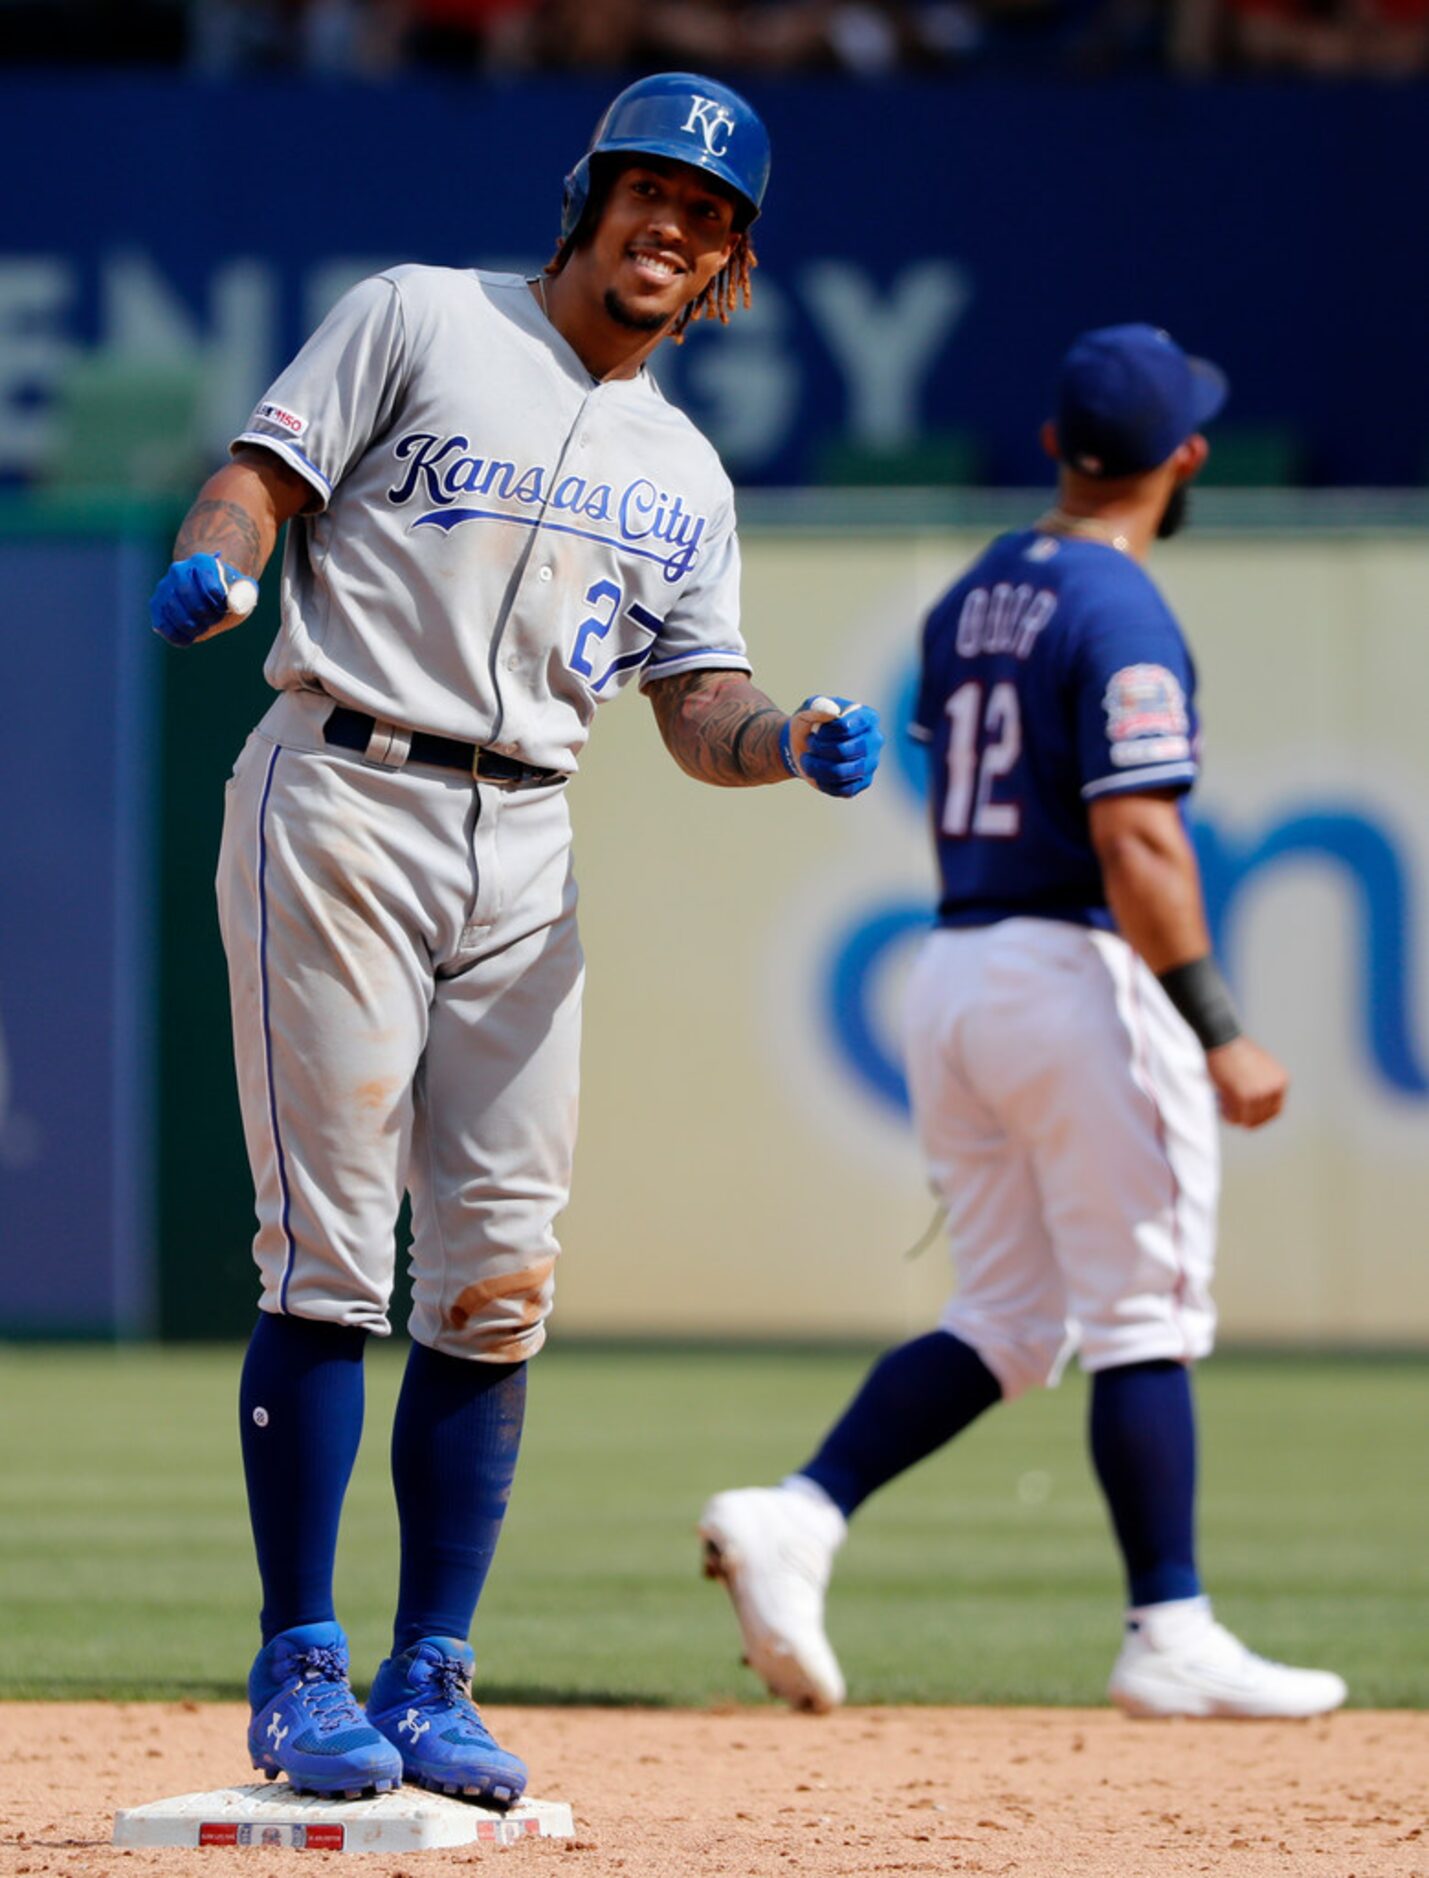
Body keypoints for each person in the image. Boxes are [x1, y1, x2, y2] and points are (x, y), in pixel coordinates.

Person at [148, 71, 883, 1807]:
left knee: (497, 1272)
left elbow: (694, 702)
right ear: (588, 197)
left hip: (525, 836)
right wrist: (219, 560)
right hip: (342, 787)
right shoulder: (420, 314)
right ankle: (299, 1662)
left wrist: (784, 739)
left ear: (729, 268)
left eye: (706, 217)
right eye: (649, 192)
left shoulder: (684, 467)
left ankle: (432, 1668)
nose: (671, 227)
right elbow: (257, 476)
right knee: (329, 1254)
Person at [699, 324, 1347, 1723]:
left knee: (1008, 1315)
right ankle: (1166, 1624)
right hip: (1075, 973)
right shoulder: (1121, 611)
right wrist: (1220, 1026)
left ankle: (798, 1514)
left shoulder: (973, 591)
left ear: (1056, 446)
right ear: (1185, 458)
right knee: (1143, 1310)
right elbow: (1138, 842)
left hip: (955, 964)